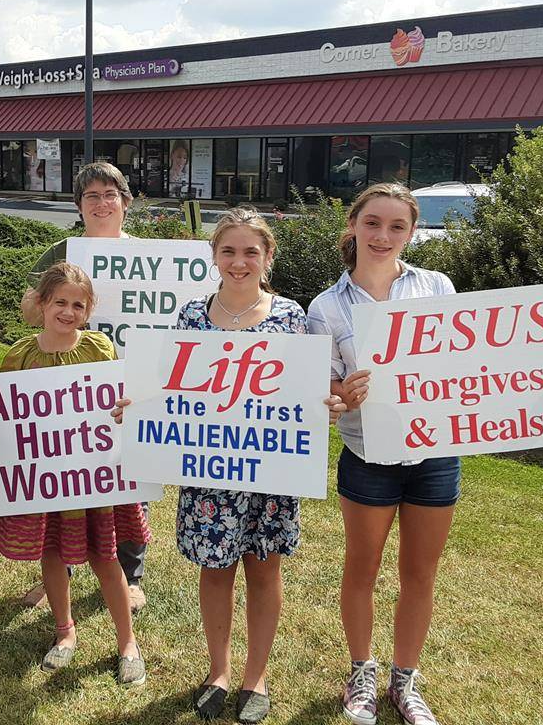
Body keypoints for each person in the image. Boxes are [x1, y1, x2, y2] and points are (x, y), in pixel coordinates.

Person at [306, 183, 543, 725]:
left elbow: (477, 362)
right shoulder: (328, 307)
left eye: (396, 227)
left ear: (411, 233)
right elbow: (326, 392)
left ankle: (405, 682)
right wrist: (344, 395)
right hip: (369, 455)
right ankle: (361, 673)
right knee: (361, 570)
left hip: (435, 455)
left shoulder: (436, 286)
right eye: (373, 223)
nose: (383, 236)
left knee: (420, 574)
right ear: (354, 226)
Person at [112, 208, 345, 723]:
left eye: (250, 252)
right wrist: (138, 405)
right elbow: (168, 387)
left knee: (265, 571)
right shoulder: (191, 317)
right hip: (210, 471)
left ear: (268, 257)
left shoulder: (292, 315)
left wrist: (323, 404)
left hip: (270, 471)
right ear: (213, 256)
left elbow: (308, 390)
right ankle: (217, 671)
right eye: (229, 251)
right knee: (214, 570)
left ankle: (255, 676)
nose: (239, 262)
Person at [0, 262, 149, 686]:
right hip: (46, 481)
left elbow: (120, 398)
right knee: (53, 553)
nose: (69, 311)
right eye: (60, 302)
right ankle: (65, 631)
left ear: (88, 310)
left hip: (93, 479)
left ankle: (127, 642)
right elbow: (1, 414)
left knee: (105, 556)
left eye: (79, 304)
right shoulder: (20, 355)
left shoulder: (99, 348)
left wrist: (124, 406)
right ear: (41, 304)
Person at [17, 162, 151, 613]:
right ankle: (59, 574)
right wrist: (60, 308)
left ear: (126, 203)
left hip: (129, 381)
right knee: (65, 477)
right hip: (66, 385)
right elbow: (27, 313)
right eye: (91, 196)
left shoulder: (150, 257)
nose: (101, 203)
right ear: (78, 206)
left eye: (110, 194)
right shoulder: (63, 250)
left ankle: (131, 574)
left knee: (126, 474)